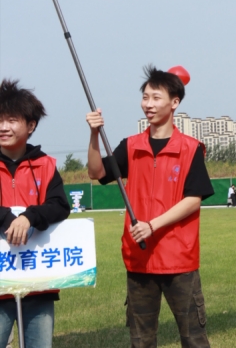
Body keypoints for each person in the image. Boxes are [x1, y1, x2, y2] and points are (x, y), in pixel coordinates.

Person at [86, 66, 214, 348]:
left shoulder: (190, 148)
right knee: (141, 340)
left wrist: (152, 225)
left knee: (193, 338)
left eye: (156, 97)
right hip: (139, 259)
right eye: (145, 97)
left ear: (174, 102)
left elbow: (193, 199)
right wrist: (94, 135)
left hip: (178, 259)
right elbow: (96, 172)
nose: (148, 104)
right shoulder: (131, 146)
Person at [0, 79, 70, 348]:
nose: (3, 127)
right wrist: (7, 218)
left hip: (38, 282)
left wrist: (29, 217)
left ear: (30, 125)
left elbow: (60, 205)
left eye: (11, 120)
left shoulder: (46, 165)